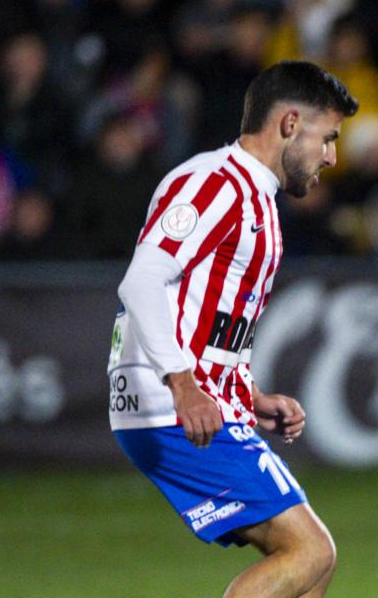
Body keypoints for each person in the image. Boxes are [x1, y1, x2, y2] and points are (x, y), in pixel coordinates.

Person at [106, 61, 357, 598]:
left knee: (310, 570)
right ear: (290, 124)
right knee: (309, 550)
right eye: (328, 137)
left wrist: (251, 396)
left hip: (194, 399)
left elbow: (209, 321)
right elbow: (143, 282)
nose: (332, 156)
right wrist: (182, 383)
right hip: (166, 403)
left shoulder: (255, 198)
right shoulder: (216, 184)